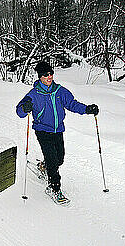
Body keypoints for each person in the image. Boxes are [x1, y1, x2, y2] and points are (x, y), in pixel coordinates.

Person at [16, 60, 99, 204]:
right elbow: (19, 111)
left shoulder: (60, 91)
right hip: (42, 130)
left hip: (58, 129)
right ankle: (54, 188)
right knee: (53, 161)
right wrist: (25, 108)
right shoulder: (33, 94)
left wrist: (87, 109)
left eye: (51, 73)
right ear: (40, 77)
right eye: (46, 75)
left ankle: (43, 166)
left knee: (59, 158)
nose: (49, 77)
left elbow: (72, 104)